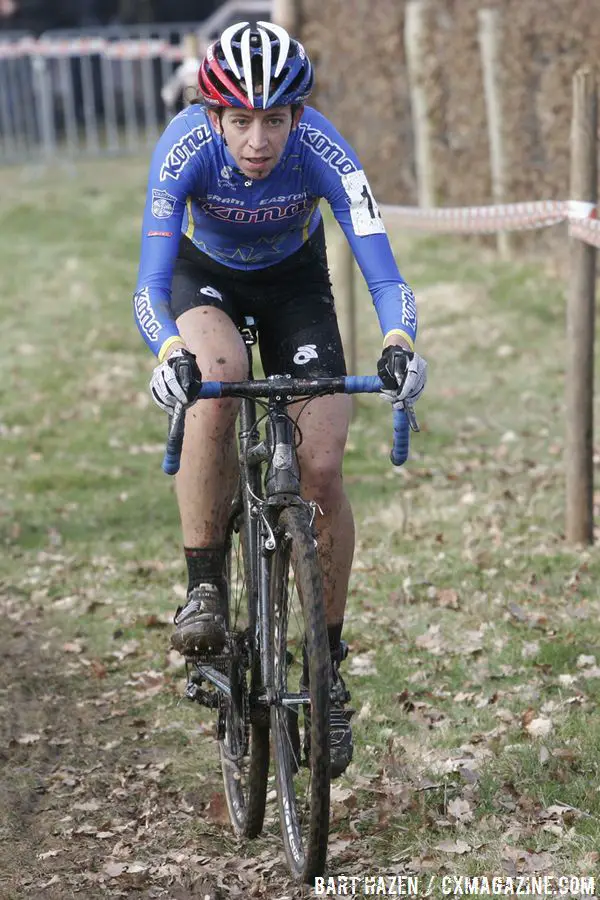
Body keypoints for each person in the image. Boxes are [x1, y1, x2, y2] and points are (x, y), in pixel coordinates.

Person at [133, 20, 427, 777]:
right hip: (203, 278)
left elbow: (385, 275)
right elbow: (147, 287)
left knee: (323, 465)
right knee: (219, 376)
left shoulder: (326, 150)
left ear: (298, 116)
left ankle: (326, 672)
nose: (258, 139)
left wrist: (399, 343)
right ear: (213, 118)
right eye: (240, 120)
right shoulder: (184, 150)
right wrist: (170, 353)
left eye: (274, 120)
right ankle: (203, 591)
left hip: (297, 285)